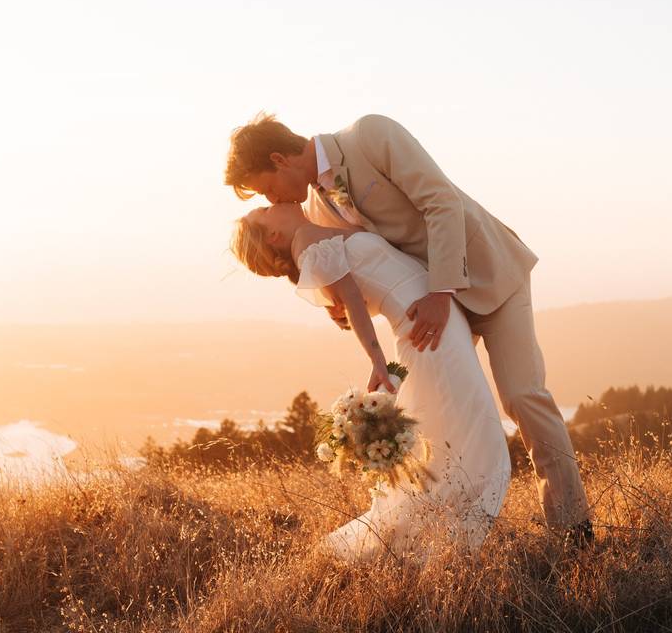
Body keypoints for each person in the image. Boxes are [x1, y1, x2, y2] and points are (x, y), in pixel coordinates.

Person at [225, 113, 592, 542]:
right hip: (431, 311)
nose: (275, 200)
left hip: (488, 276)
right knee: (438, 416)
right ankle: (445, 530)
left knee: (521, 396)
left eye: (267, 189)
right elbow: (373, 268)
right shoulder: (312, 210)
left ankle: (573, 527)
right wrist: (342, 308)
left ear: (278, 159)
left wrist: (440, 292)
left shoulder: (370, 135)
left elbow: (441, 202)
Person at [231, 202, 512, 562]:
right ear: (273, 235)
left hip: (435, 318)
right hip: (423, 331)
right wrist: (378, 361)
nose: (270, 205)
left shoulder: (320, 227)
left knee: (464, 434)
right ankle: (440, 552)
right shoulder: (308, 249)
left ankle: (443, 547)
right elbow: (353, 301)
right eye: (263, 212)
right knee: (475, 435)